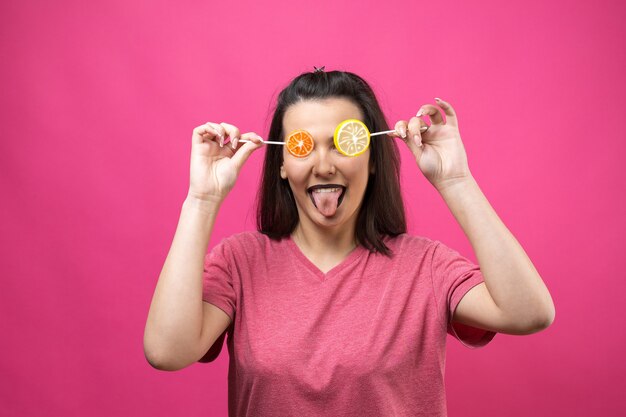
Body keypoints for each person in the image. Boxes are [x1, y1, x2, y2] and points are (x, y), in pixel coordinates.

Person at [144, 69, 555, 416]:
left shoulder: (425, 266)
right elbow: (166, 351)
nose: (324, 164)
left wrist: (456, 181)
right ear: (282, 164)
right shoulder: (240, 262)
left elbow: (529, 313)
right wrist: (202, 199)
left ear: (373, 158)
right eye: (303, 147)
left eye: (345, 143)